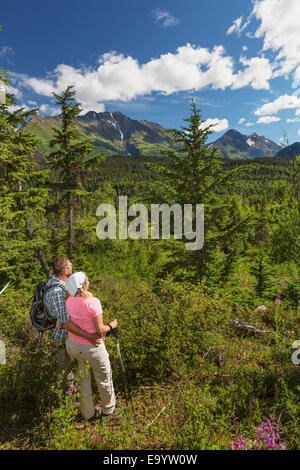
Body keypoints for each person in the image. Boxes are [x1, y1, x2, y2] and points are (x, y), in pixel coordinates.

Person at [65, 271, 119, 421]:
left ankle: (88, 414)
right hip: (92, 347)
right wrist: (112, 325)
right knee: (104, 377)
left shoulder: (68, 301)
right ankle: (108, 410)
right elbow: (100, 330)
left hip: (73, 346)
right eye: (87, 280)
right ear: (84, 285)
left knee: (82, 379)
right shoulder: (92, 302)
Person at [44, 257, 102, 392]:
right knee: (66, 373)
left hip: (69, 337)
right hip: (63, 337)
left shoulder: (55, 282)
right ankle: (67, 404)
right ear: (66, 270)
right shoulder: (57, 292)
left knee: (72, 371)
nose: (72, 267)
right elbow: (65, 323)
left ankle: (76, 399)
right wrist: (88, 336)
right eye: (70, 265)